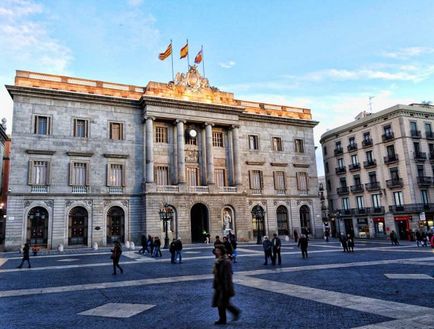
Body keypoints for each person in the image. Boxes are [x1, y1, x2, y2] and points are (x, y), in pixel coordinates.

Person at [212, 245, 241, 325]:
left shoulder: (226, 261)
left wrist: (226, 287)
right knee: (221, 303)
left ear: (221, 251)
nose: (215, 251)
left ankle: (225, 318)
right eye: (215, 250)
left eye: (217, 250)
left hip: (224, 286)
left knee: (222, 303)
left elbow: (228, 276)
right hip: (219, 285)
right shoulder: (218, 260)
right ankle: (232, 314)